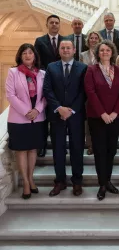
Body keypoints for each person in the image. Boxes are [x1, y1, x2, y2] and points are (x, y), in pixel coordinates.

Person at [43, 40, 87, 197]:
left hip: (76, 116)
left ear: (74, 50)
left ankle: (77, 182)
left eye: (68, 47)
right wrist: (59, 108)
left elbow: (84, 91)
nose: (66, 50)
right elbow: (47, 90)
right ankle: (60, 181)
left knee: (77, 149)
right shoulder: (51, 67)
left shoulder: (83, 68)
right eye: (63, 48)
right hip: (57, 115)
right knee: (58, 149)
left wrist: (72, 110)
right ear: (59, 50)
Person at [84, 40, 119, 201]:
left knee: (111, 150)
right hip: (97, 117)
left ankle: (108, 180)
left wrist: (116, 113)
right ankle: (102, 184)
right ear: (97, 53)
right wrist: (102, 113)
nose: (105, 52)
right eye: (102, 50)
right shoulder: (91, 70)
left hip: (114, 118)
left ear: (112, 52)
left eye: (108, 50)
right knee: (100, 151)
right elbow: (90, 92)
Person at [6, 44, 47, 199]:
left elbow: (45, 95)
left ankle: (31, 178)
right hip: (18, 119)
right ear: (20, 56)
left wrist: (37, 110)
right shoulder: (13, 72)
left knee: (32, 150)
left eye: (31, 53)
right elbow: (10, 95)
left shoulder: (42, 73)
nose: (28, 55)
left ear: (35, 56)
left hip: (37, 118)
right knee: (21, 150)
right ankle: (26, 183)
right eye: (25, 53)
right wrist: (26, 111)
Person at [34, 14, 65, 157]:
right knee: (43, 115)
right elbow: (36, 61)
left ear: (59, 25)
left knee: (58, 115)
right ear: (47, 25)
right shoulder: (40, 41)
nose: (54, 25)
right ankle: (42, 145)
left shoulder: (66, 41)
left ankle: (60, 145)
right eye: (51, 22)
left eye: (56, 23)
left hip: (61, 84)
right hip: (43, 81)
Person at [80, 31, 102, 155]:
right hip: (88, 91)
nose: (93, 40)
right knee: (89, 120)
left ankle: (99, 143)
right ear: (88, 41)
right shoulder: (83, 55)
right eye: (91, 38)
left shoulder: (103, 53)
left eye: (96, 38)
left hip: (102, 91)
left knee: (100, 119)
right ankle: (90, 145)